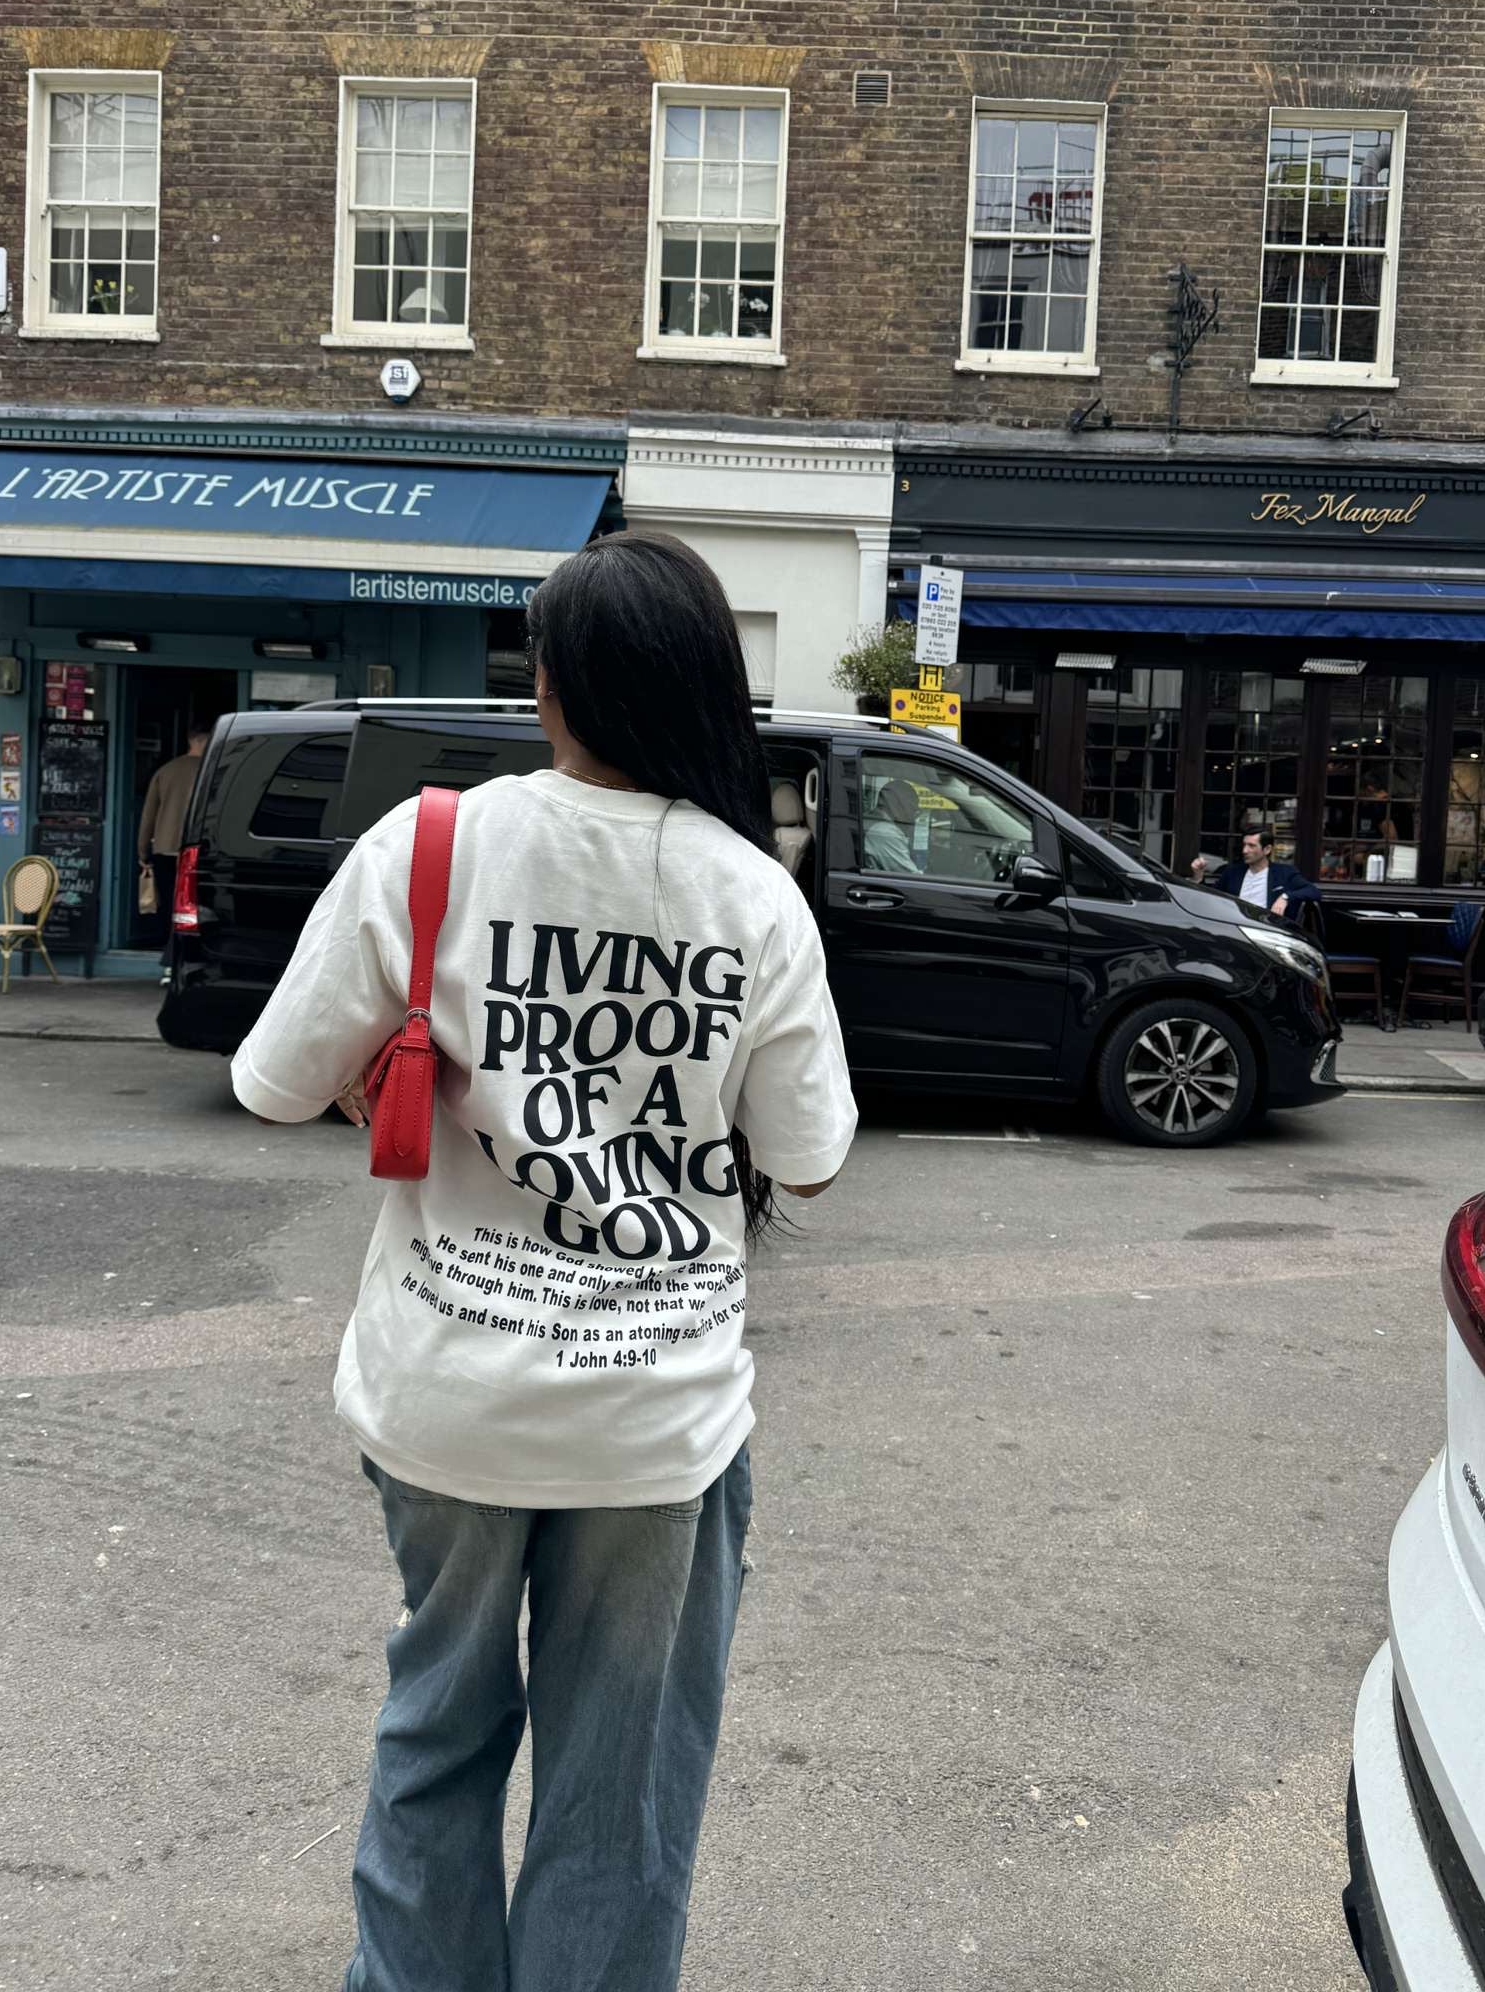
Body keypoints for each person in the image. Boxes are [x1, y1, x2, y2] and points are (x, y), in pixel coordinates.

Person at [230, 534, 858, 1992]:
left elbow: (273, 1078)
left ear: (555, 685)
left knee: (436, 1732)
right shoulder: (752, 896)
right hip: (653, 1420)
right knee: (619, 1788)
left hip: (446, 1392)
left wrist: (407, 1082)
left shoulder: (432, 843)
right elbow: (810, 1156)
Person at [137, 719, 209, 979]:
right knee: (195, 910)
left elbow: (148, 815)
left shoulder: (165, 771)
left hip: (165, 849)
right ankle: (186, 961)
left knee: (171, 907)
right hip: (199, 851)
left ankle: (169, 963)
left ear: (190, 740)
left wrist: (143, 851)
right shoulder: (212, 770)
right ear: (208, 740)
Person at [1189, 826, 1318, 924]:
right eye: (1244, 845)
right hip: (1235, 929)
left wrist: (1285, 897)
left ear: (1267, 849)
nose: (1245, 851)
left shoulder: (1284, 873)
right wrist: (1198, 876)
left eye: (1251, 846)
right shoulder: (1233, 872)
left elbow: (1313, 891)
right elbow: (1210, 897)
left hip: (1268, 933)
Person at [863, 777, 921, 872]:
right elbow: (910, 877)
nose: (914, 816)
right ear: (897, 804)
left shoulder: (872, 820)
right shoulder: (884, 831)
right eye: (912, 808)